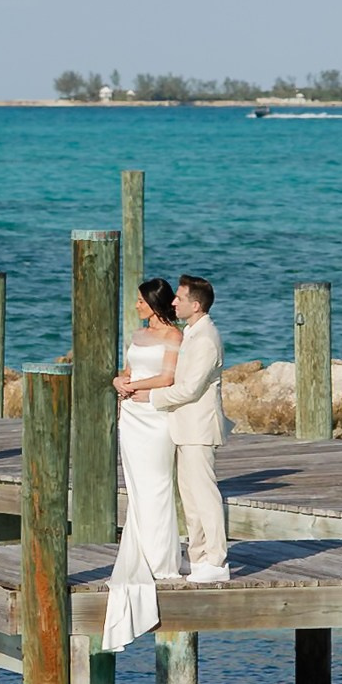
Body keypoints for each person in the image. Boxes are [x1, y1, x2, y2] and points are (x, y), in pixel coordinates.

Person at [104, 279, 183, 647]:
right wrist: (120, 380)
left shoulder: (174, 337)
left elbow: (168, 377)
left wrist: (135, 387)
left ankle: (159, 559)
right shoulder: (137, 334)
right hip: (131, 417)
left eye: (140, 300)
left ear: (155, 302)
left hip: (154, 417)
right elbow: (127, 368)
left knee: (156, 484)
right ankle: (141, 550)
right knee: (136, 487)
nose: (135, 305)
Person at [143, 274, 228, 582]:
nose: (173, 302)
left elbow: (190, 389)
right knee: (190, 497)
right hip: (185, 427)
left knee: (204, 495)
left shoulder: (206, 338)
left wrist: (152, 397)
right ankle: (198, 556)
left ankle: (217, 561)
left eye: (179, 298)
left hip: (199, 428)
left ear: (196, 304)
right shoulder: (192, 332)